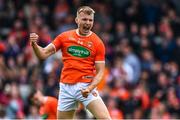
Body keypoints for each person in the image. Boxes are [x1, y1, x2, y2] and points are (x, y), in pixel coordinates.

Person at [29, 6, 111, 119]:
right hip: (66, 87)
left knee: (106, 119)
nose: (87, 23)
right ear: (77, 20)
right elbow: (43, 54)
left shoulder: (98, 43)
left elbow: (100, 72)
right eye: (84, 19)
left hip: (86, 86)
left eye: (90, 20)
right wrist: (34, 45)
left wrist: (90, 88)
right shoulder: (64, 37)